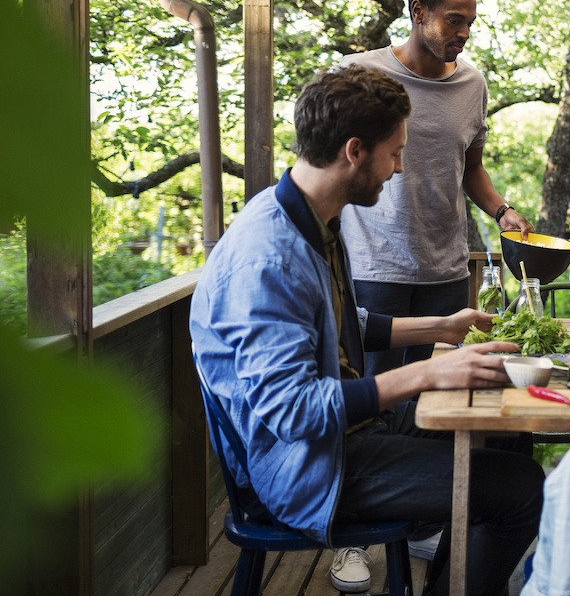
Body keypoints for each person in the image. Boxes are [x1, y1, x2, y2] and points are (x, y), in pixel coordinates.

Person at [190, 66, 543, 596]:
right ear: (355, 150)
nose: (400, 169)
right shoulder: (268, 259)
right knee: (520, 489)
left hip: (344, 437)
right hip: (303, 468)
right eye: (395, 153)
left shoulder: (311, 218)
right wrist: (428, 373)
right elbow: (292, 412)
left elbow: (336, 324)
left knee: (508, 433)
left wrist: (444, 328)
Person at [340, 0, 533, 378]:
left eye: (469, 24)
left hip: (445, 271)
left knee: (439, 395)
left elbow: (471, 167)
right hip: (376, 266)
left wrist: (502, 212)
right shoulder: (359, 73)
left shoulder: (472, 84)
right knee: (381, 396)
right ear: (418, 12)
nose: (463, 33)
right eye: (453, 21)